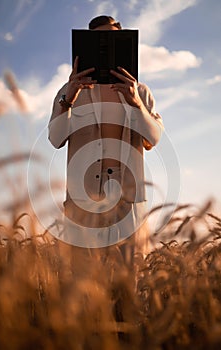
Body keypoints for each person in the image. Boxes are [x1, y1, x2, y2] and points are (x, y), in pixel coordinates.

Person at [48, 15, 164, 264]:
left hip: (129, 201)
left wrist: (135, 103)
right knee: (85, 285)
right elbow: (55, 139)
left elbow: (153, 138)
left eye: (112, 38)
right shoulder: (69, 92)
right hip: (82, 200)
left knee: (129, 285)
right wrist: (67, 98)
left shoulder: (139, 90)